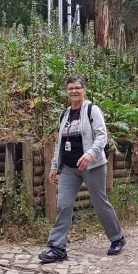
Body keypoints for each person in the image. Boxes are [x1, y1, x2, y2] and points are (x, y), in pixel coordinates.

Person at [39, 74, 125, 263]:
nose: (74, 91)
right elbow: (59, 144)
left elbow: (102, 137)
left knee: (100, 203)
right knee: (63, 205)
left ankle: (117, 238)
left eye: (77, 87)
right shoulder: (64, 115)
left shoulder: (92, 110)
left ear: (83, 90)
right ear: (66, 91)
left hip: (92, 165)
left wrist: (90, 154)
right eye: (70, 88)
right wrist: (55, 167)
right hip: (69, 167)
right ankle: (57, 248)